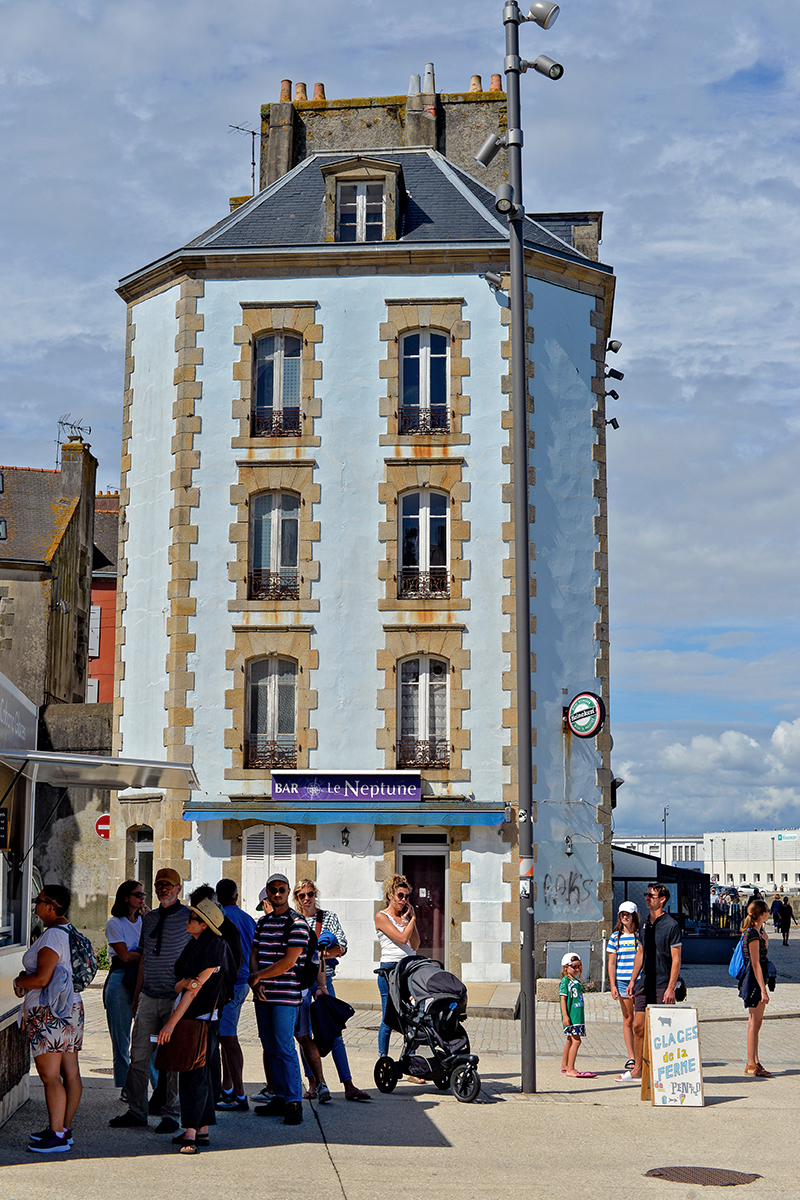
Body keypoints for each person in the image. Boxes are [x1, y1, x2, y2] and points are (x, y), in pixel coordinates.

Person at [109, 867, 191, 1132]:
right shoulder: (151, 918)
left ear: (179, 889)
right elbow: (144, 958)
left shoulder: (189, 917)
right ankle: (136, 1110)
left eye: (169, 885)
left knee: (172, 1060)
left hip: (174, 999)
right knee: (139, 1057)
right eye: (159, 885)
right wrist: (136, 996)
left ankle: (171, 1114)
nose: (163, 890)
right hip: (147, 996)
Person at [13, 884, 84, 1154]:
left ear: (51, 906)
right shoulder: (67, 929)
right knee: (71, 1072)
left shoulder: (53, 936)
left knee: (50, 1075)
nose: (35, 906)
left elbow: (42, 979)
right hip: (71, 1008)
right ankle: (63, 1130)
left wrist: (20, 981)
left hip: (50, 1013)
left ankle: (56, 1136)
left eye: (39, 902)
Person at [157, 898, 229, 1152]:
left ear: (204, 924)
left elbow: (194, 990)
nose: (188, 922)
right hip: (197, 1019)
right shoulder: (196, 943)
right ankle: (202, 1131)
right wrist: (187, 983)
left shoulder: (214, 946)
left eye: (193, 919)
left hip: (200, 1020)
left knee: (195, 1076)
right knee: (201, 1074)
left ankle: (190, 1133)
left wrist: (170, 1024)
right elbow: (181, 983)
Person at [292, 878, 371, 1101]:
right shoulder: (295, 920)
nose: (306, 899)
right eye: (301, 895)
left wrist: (316, 955)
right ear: (296, 898)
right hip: (302, 984)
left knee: (334, 1032)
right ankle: (313, 1084)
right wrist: (318, 954)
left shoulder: (328, 918)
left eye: (309, 894)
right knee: (303, 1035)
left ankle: (348, 1084)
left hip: (326, 981)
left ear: (315, 894)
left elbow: (341, 948)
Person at [249, 873, 310, 1126]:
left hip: (285, 996)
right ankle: (278, 1095)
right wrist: (257, 984)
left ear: (288, 892)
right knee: (270, 1046)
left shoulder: (297, 923)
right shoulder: (262, 923)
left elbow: (288, 962)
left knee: (285, 1047)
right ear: (267, 892)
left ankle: (294, 1101)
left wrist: (258, 976)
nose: (277, 894)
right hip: (263, 995)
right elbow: (254, 952)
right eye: (272, 890)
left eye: (281, 890)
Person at [615, 882, 681, 1083]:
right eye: (646, 895)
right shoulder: (644, 924)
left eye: (651, 895)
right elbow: (640, 952)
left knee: (663, 1030)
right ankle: (638, 1070)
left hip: (663, 983)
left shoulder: (671, 925)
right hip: (645, 982)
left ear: (662, 899)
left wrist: (671, 987)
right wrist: (633, 979)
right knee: (638, 1025)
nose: (647, 898)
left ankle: (664, 1070)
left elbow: (676, 959)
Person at [215, 878, 257, 1111]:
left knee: (228, 1039)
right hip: (243, 981)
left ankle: (239, 1094)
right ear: (237, 896)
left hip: (229, 983)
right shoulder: (249, 919)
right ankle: (228, 1086)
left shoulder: (220, 918)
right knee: (225, 1037)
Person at [104, 880, 147, 1099]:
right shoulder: (115, 923)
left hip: (141, 978)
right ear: (126, 898)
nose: (142, 898)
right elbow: (124, 956)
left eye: (143, 894)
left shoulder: (145, 921)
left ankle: (144, 1084)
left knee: (144, 1037)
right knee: (121, 1037)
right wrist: (144, 953)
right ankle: (125, 1086)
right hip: (121, 977)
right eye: (138, 894)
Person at [375, 874, 420, 1063]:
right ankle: (383, 1059)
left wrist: (411, 920)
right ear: (390, 895)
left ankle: (409, 1060)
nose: (404, 900)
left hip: (408, 968)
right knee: (389, 1017)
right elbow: (401, 939)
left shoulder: (405, 918)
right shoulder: (381, 916)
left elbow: (415, 944)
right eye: (400, 896)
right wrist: (412, 920)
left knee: (413, 1015)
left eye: (407, 897)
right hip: (390, 970)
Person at [740, 899, 772, 1077]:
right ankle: (751, 1063)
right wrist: (763, 990)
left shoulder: (757, 933)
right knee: (753, 1022)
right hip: (754, 982)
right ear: (761, 914)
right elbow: (755, 963)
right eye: (766, 910)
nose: (768, 913)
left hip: (757, 981)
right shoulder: (752, 934)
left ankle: (754, 1061)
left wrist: (765, 943)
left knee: (756, 1023)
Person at [606, 900, 640, 1070]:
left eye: (628, 914)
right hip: (622, 980)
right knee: (628, 1018)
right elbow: (611, 963)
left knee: (640, 1019)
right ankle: (631, 1056)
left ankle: (643, 1054)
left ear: (634, 915)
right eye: (622, 914)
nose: (625, 916)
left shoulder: (639, 936)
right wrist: (612, 985)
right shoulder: (615, 937)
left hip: (640, 981)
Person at [559, 953, 595, 1078]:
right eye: (574, 966)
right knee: (576, 1041)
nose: (577, 969)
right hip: (572, 1016)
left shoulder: (576, 981)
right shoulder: (565, 982)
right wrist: (565, 1015)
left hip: (578, 1015)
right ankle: (571, 1068)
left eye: (579, 966)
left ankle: (564, 1065)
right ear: (566, 967)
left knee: (570, 1039)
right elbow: (563, 999)